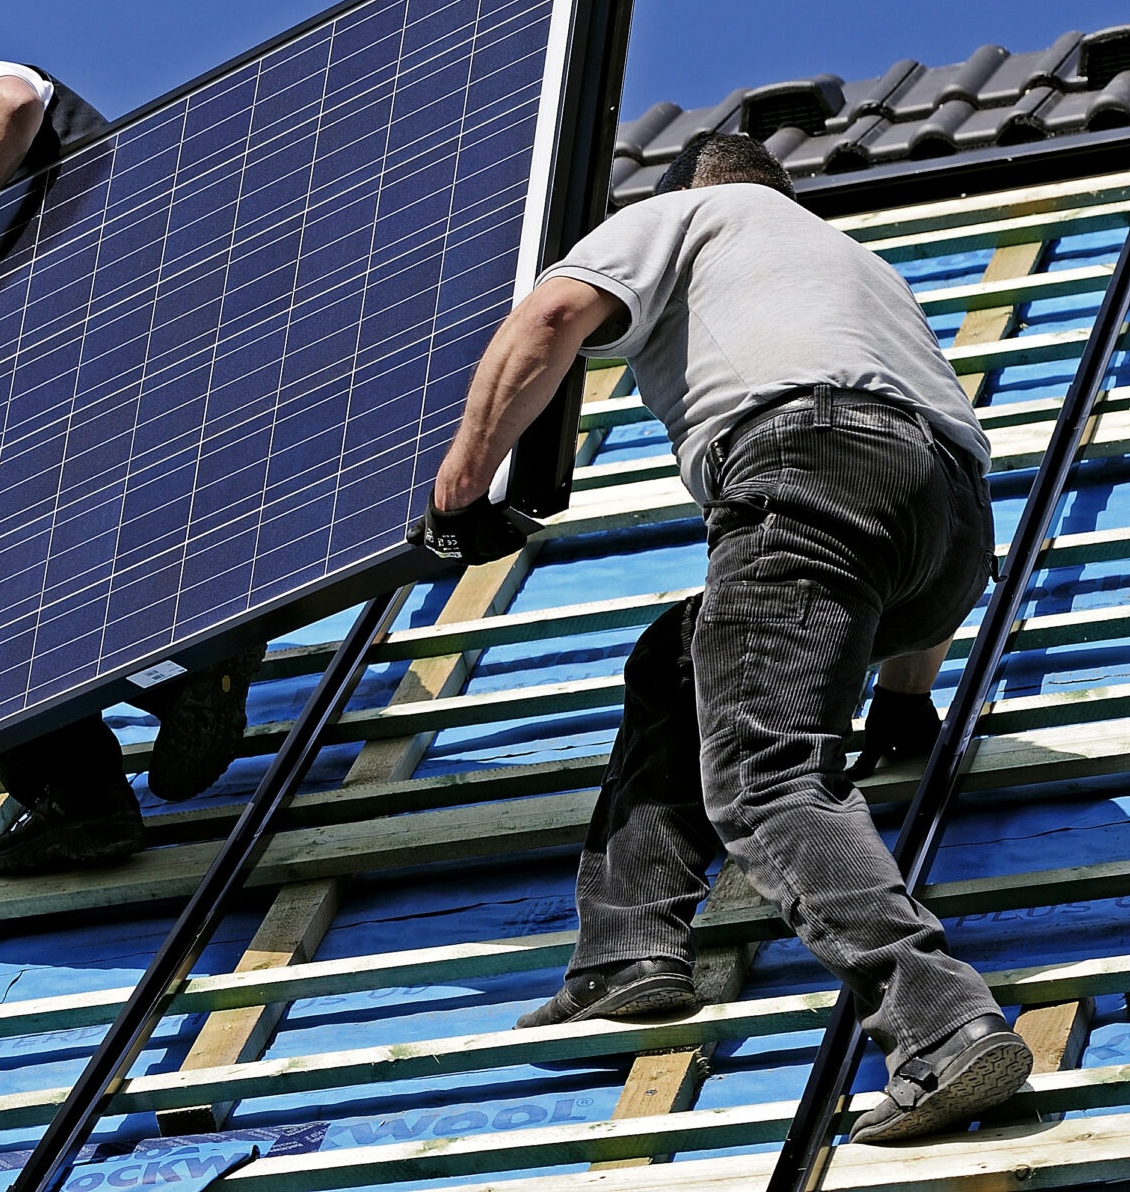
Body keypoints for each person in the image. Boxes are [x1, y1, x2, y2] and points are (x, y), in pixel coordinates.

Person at [426, 131, 1028, 1145]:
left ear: (685, 191)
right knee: (678, 660)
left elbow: (554, 314)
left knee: (762, 771)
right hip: (954, 535)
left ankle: (941, 1025)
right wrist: (903, 695)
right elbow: (910, 478)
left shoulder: (684, 214)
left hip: (808, 462)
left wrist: (463, 482)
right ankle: (627, 951)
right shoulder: (857, 266)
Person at [0, 35, 261, 876]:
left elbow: (14, 103)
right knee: (55, 588)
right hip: (117, 354)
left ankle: (84, 803)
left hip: (109, 335)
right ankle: (193, 677)